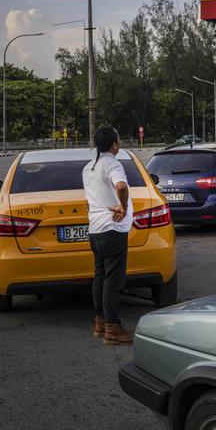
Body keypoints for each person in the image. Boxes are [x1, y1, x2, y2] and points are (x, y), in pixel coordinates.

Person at [82, 127, 134, 345]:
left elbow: (89, 199)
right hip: (112, 230)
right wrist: (122, 207)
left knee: (101, 277)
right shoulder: (113, 163)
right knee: (113, 281)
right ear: (114, 145)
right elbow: (121, 186)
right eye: (119, 139)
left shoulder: (88, 167)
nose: (119, 143)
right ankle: (113, 329)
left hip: (95, 231)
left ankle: (100, 323)